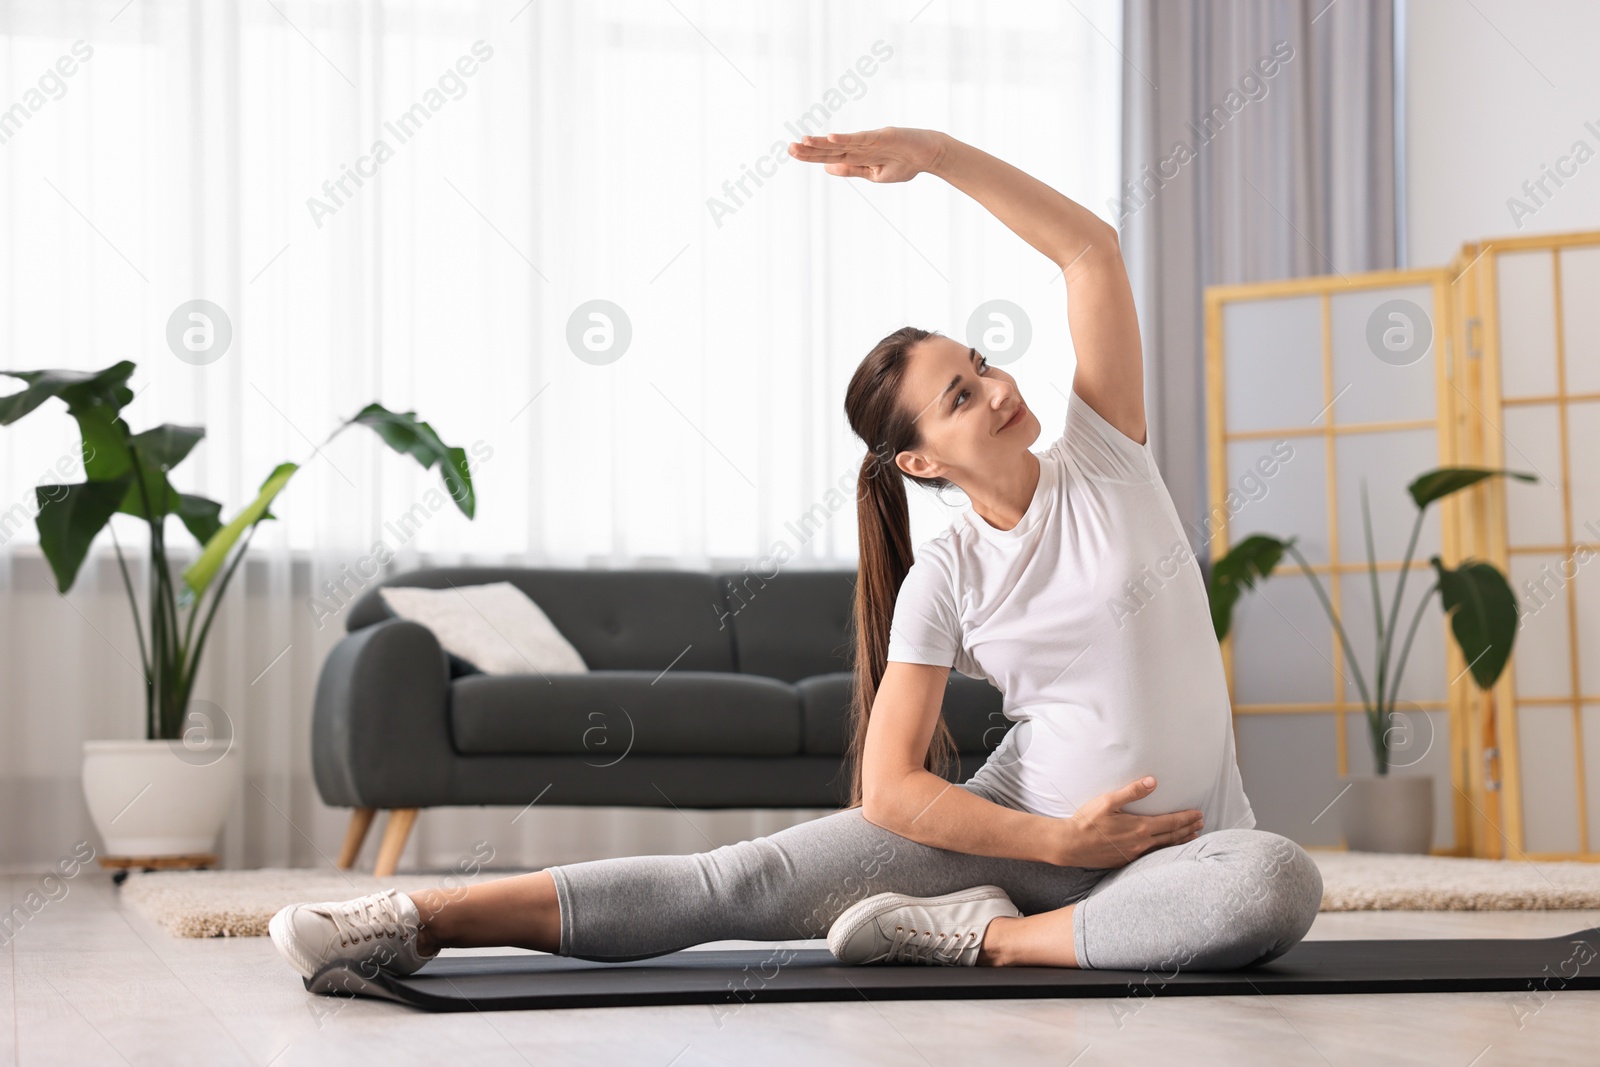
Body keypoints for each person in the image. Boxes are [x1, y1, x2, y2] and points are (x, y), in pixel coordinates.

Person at [268, 127, 1322, 983]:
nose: (1000, 390)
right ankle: (410, 914)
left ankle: (974, 935)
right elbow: (891, 789)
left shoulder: (1107, 462)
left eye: (984, 365)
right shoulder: (946, 575)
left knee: (1272, 885)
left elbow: (1088, 250)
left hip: (1177, 858)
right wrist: (1052, 845)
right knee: (735, 881)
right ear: (917, 458)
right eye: (961, 395)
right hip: (1018, 830)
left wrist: (938, 155)